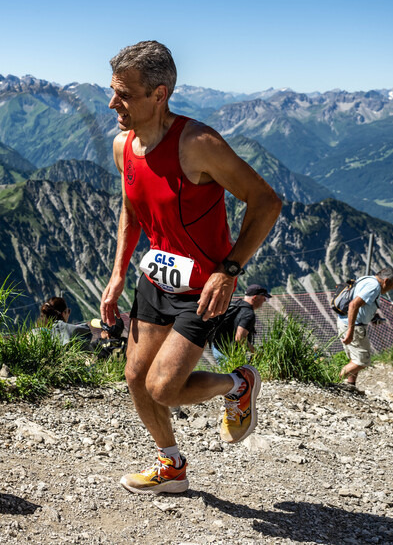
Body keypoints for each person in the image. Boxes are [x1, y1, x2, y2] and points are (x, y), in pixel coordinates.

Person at [99, 41, 282, 495]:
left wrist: (230, 268)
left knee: (162, 387)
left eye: (124, 93)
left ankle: (238, 383)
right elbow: (131, 212)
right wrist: (118, 273)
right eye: (112, 91)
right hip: (154, 279)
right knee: (135, 379)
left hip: (201, 290)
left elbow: (266, 202)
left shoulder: (198, 144)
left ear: (159, 95)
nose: (112, 103)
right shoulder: (124, 146)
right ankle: (171, 465)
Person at [339, 268, 393, 390]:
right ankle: (330, 379)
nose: (392, 289)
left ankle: (350, 387)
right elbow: (353, 305)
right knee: (362, 361)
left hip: (345, 321)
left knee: (355, 358)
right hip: (355, 326)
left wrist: (372, 316)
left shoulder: (367, 279)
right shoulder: (374, 286)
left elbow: (362, 304)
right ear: (386, 281)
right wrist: (350, 332)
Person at [208, 284, 271, 362]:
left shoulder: (236, 305)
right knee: (232, 373)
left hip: (217, 347)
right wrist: (255, 352)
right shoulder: (248, 314)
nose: (264, 300)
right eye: (263, 298)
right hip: (228, 354)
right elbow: (240, 338)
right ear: (255, 297)